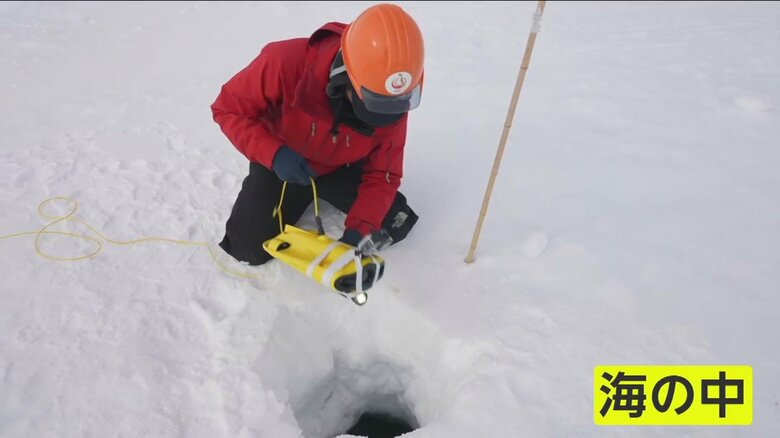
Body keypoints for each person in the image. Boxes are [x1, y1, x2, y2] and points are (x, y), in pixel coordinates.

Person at [211, 3, 423, 269]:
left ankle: (332, 196)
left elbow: (383, 175)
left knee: (396, 223)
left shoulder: (393, 96)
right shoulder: (285, 61)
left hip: (341, 165)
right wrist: (274, 154)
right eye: (374, 103)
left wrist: (359, 229)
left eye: (393, 105)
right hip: (285, 163)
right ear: (349, 77)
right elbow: (228, 109)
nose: (384, 116)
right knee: (247, 249)